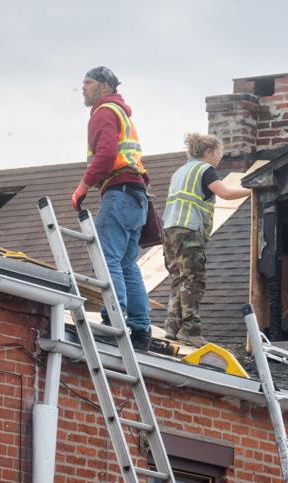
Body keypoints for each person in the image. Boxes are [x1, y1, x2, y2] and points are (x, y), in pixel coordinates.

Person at [72, 66, 151, 350]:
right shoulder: (121, 112)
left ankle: (113, 322)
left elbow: (105, 157)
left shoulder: (104, 111)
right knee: (128, 264)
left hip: (119, 192)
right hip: (136, 196)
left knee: (108, 260)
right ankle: (141, 330)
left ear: (104, 86)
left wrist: (82, 187)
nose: (82, 87)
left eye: (88, 82)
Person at [162, 133, 251, 347]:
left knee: (178, 279)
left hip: (169, 231)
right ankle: (190, 331)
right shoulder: (205, 170)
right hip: (189, 231)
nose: (220, 157)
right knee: (193, 280)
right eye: (218, 152)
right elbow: (226, 194)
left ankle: (172, 328)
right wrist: (254, 190)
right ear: (209, 151)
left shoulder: (180, 171)